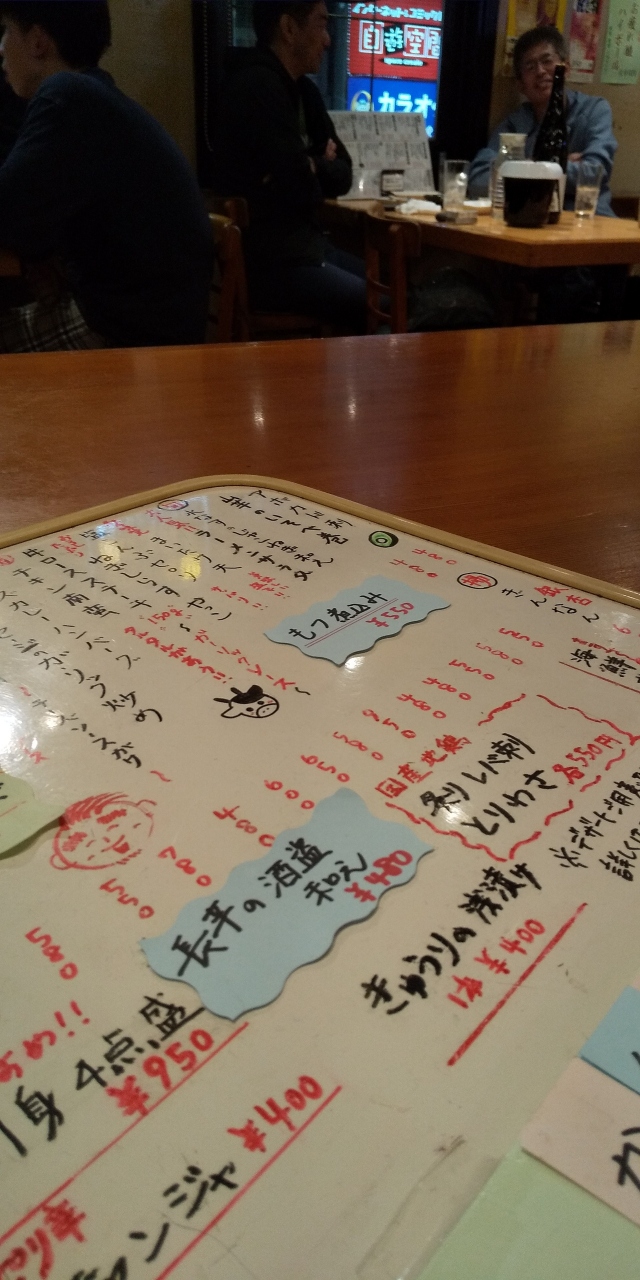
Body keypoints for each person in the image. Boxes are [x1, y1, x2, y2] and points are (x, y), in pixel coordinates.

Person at [0, 1, 213, 352]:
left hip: (128, 335)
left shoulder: (66, 96)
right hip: (149, 321)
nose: (1, 47)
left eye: (6, 31)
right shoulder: (93, 96)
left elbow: (7, 213)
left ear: (38, 41)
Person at [211, 0, 367, 331]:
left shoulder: (304, 92)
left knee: (393, 288)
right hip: (271, 264)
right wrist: (312, 165)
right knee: (375, 301)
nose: (328, 40)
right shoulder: (255, 87)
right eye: (321, 24)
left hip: (305, 250)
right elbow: (301, 189)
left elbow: (343, 174)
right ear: (289, 28)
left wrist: (311, 165)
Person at [468, 25, 617, 215]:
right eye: (530, 67)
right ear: (520, 85)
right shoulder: (515, 124)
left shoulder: (593, 110)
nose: (540, 71)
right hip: (534, 221)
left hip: (590, 220)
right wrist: (547, 166)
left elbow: (595, 173)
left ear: (566, 69)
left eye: (547, 61)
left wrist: (519, 169)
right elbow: (478, 180)